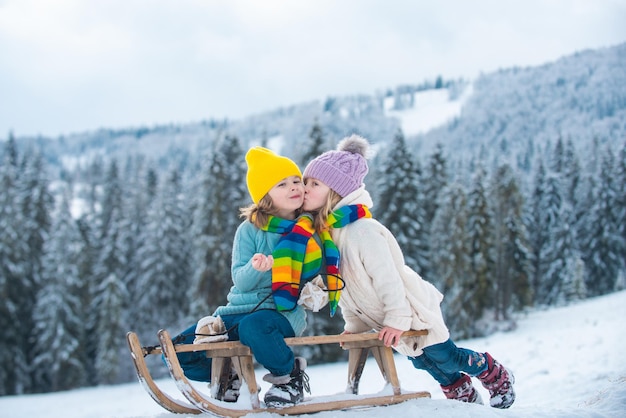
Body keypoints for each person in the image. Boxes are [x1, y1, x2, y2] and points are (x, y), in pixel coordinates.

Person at [301, 134, 516, 409]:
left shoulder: (362, 231)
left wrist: (397, 318)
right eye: (305, 182)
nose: (305, 188)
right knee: (423, 361)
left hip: (409, 310)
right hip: (390, 319)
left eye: (314, 183)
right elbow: (347, 288)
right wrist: (356, 327)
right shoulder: (331, 236)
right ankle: (461, 392)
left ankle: (493, 372)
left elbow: (387, 279)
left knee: (445, 355)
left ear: (336, 191)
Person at [171, 146, 328, 408]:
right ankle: (229, 377)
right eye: (282, 184)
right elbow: (241, 281)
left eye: (296, 181)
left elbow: (313, 275)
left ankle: (289, 378)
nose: (294, 187)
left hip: (282, 312)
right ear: (265, 195)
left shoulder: (308, 230)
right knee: (182, 348)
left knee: (253, 327)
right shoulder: (249, 230)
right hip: (237, 311)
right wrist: (256, 268)